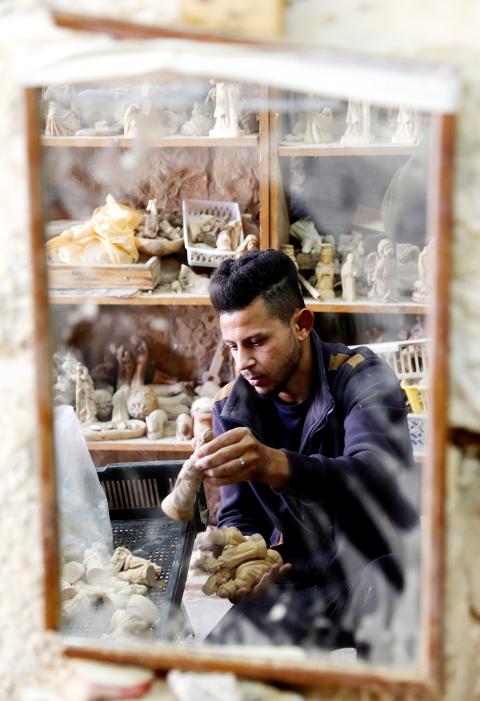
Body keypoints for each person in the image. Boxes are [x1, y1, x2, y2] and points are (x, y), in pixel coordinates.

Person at [195, 249, 417, 652]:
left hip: (372, 570)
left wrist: (274, 465)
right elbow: (238, 512)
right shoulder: (231, 408)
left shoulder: (363, 377)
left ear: (301, 324)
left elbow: (374, 474)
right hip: (295, 577)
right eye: (233, 347)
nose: (243, 362)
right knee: (210, 671)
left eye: (256, 342)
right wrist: (245, 557)